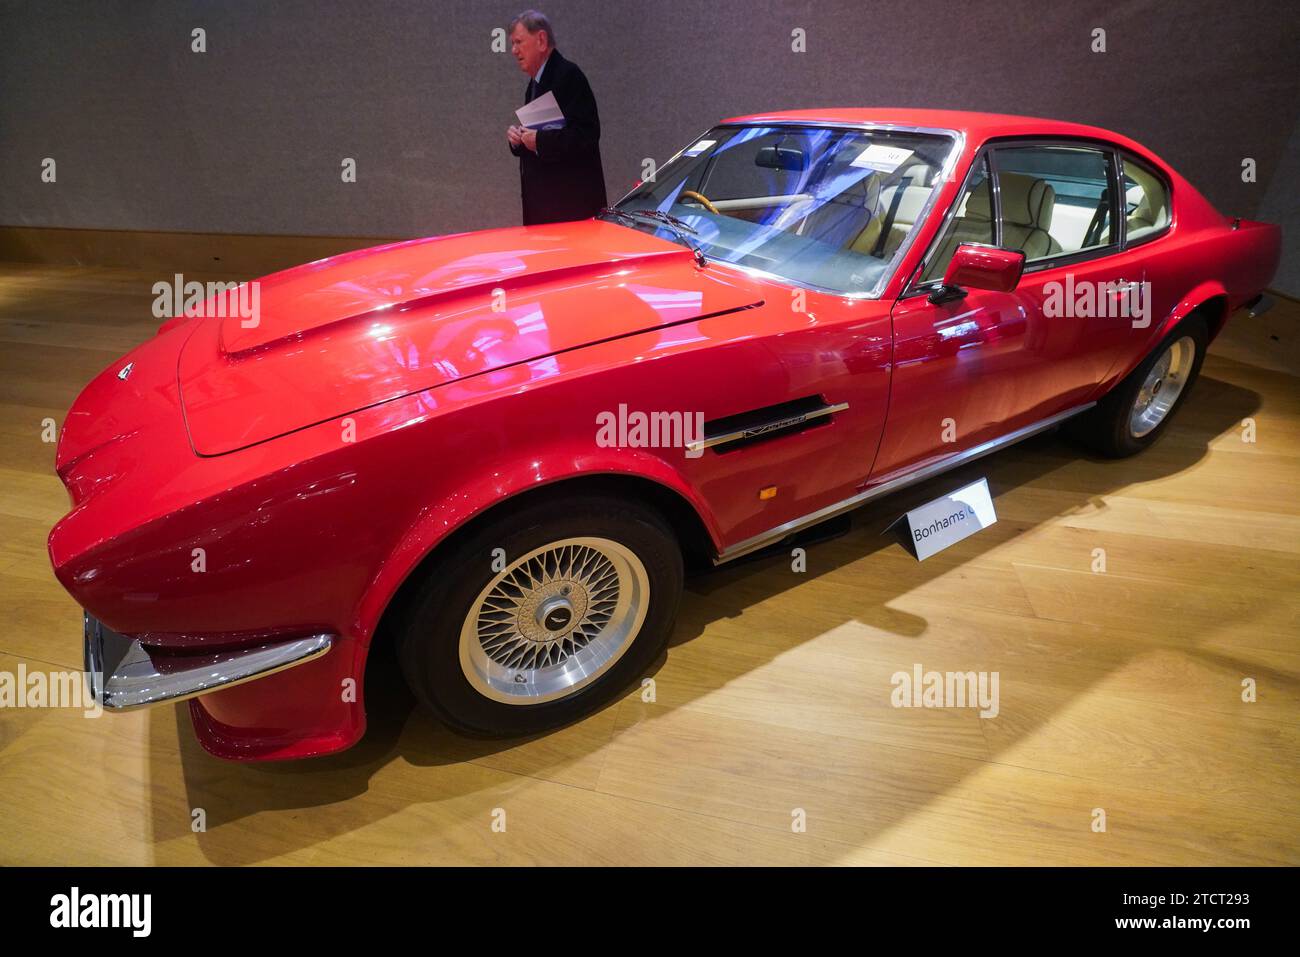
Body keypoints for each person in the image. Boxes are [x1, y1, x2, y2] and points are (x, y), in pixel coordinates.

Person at [505, 10, 607, 225]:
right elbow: (543, 138)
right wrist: (519, 140)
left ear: (541, 40)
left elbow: (586, 136)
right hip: (545, 210)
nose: (514, 51)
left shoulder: (568, 75)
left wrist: (539, 140)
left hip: (570, 212)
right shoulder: (534, 83)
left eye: (518, 42)